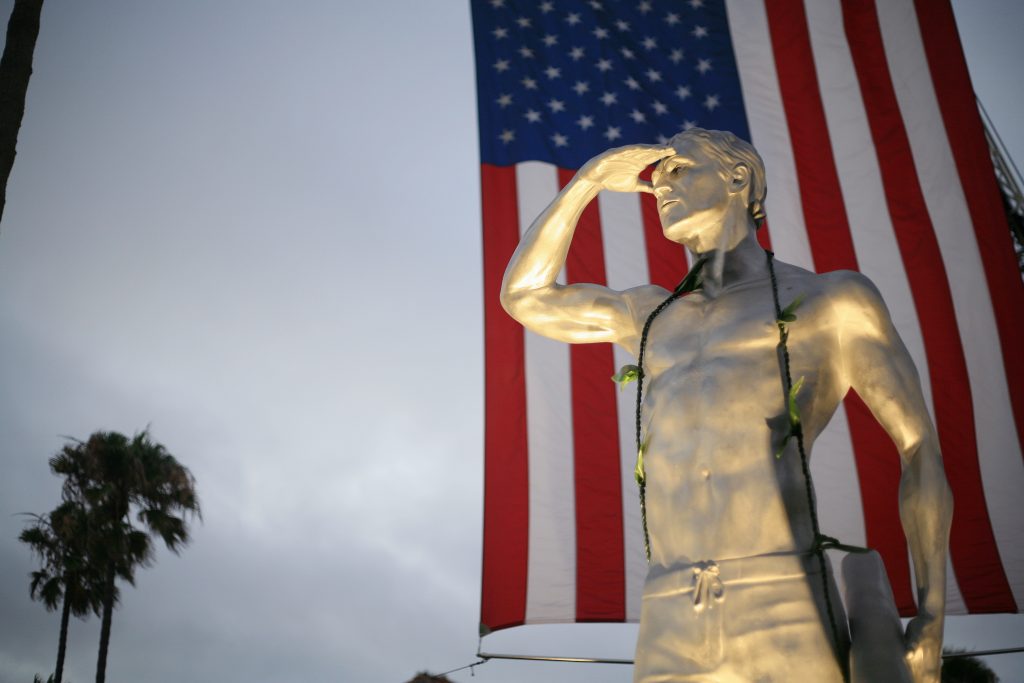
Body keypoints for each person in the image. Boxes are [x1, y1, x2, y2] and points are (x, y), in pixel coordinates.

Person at [499, 128, 952, 683]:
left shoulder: (832, 299)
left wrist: (931, 615)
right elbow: (523, 297)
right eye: (659, 176)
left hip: (782, 593)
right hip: (670, 604)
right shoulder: (650, 314)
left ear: (738, 179)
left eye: (680, 169)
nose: (662, 186)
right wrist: (587, 182)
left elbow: (917, 445)